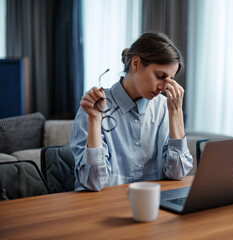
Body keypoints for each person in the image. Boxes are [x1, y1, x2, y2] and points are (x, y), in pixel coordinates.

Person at [70, 32, 193, 191]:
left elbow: (178, 174)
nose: (164, 88)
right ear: (136, 64)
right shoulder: (93, 105)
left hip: (152, 205)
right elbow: (94, 182)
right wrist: (94, 120)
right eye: (160, 76)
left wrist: (176, 112)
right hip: (103, 206)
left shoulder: (165, 107)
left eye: (170, 80)